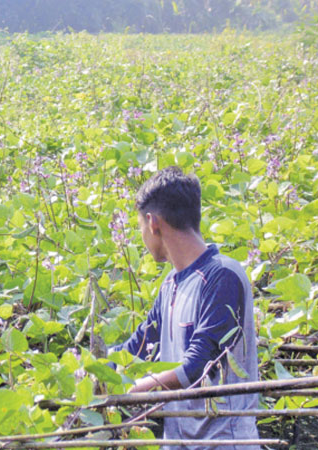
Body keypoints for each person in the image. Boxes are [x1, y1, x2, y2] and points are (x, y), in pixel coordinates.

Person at [111, 166, 259, 449]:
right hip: (179, 442)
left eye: (140, 227)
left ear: (153, 223)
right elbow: (139, 346)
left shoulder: (222, 276)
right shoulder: (170, 285)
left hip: (223, 442)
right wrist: (87, 373)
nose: (142, 237)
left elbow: (198, 366)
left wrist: (131, 392)